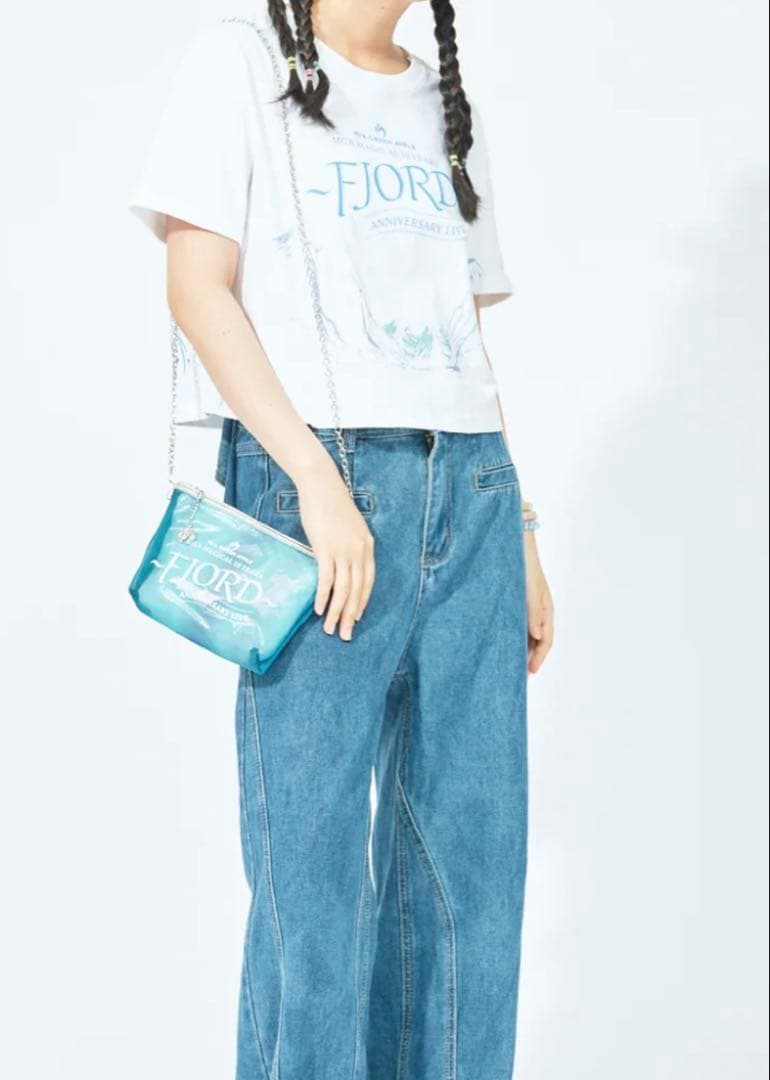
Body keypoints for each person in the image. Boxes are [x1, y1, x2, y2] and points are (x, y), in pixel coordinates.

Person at [130, 1, 554, 1076]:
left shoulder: (444, 104)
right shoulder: (238, 63)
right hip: (318, 495)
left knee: (471, 876)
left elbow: (461, 340)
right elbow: (196, 289)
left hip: (472, 492)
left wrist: (522, 530)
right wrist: (315, 480)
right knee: (310, 886)